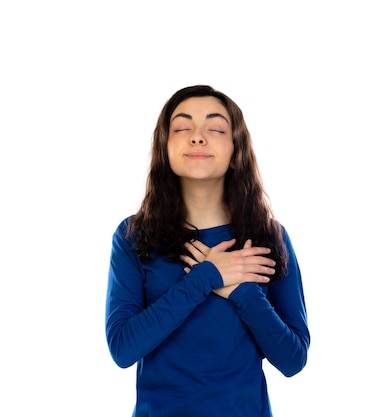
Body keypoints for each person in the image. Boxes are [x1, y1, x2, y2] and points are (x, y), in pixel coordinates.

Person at [105, 85, 310, 416]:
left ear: (234, 150)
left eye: (215, 129)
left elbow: (293, 359)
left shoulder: (269, 236)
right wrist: (206, 277)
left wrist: (240, 290)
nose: (198, 137)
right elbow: (123, 348)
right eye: (183, 128)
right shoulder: (133, 235)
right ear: (165, 147)